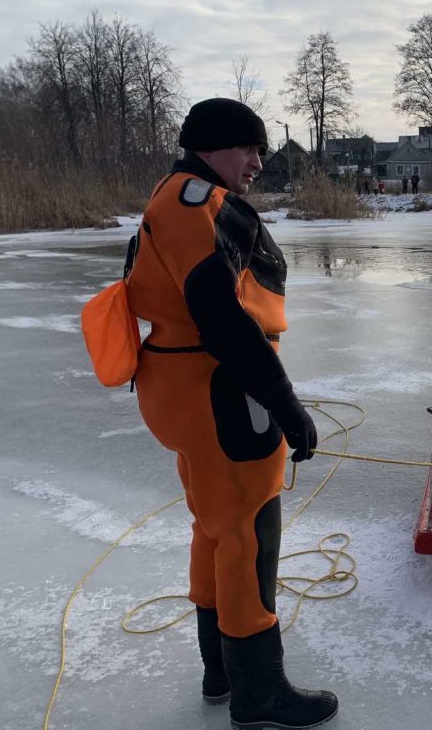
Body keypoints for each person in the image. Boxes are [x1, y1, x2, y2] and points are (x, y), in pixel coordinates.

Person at [126, 98, 338, 727]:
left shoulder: (177, 196)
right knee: (248, 532)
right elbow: (222, 319)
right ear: (212, 145)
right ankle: (259, 690)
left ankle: (220, 669)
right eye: (249, 147)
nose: (258, 161)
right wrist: (285, 403)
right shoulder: (192, 204)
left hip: (186, 387)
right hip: (218, 392)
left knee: (215, 525)